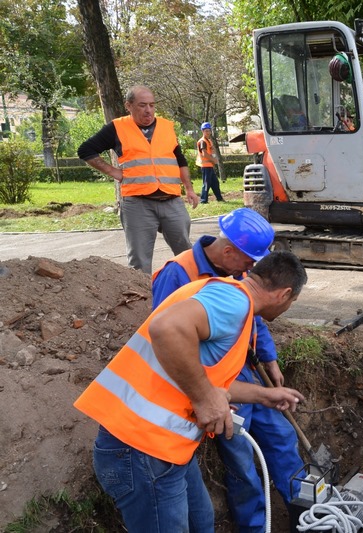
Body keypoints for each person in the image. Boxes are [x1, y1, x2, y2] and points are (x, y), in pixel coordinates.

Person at [74, 250, 308, 532]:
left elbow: (206, 376)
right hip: (139, 449)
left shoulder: (229, 298)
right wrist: (205, 398)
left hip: (166, 448)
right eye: (292, 301)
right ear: (283, 294)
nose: (288, 307)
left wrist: (263, 395)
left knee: (202, 521)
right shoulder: (233, 302)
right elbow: (167, 328)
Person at [152, 208, 305, 533]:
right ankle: (254, 526)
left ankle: (305, 511)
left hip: (240, 372)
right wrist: (203, 393)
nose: (253, 270)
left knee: (281, 435)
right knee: (241, 457)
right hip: (206, 381)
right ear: (228, 251)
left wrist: (269, 359)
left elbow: (256, 317)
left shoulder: (237, 272)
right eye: (250, 262)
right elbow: (166, 337)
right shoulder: (179, 272)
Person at [77, 85, 200, 275]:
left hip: (171, 200)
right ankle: (142, 301)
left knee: (186, 252)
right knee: (139, 261)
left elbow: (180, 160)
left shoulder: (167, 127)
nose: (148, 110)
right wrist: (113, 172)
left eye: (152, 105)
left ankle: (195, 291)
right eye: (142, 105)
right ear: (129, 105)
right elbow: (85, 150)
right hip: (137, 203)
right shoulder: (117, 128)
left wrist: (189, 189)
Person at [196, 122, 225, 203]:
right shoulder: (203, 141)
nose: (208, 132)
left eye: (209, 130)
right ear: (202, 131)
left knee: (215, 183)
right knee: (206, 184)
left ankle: (219, 198)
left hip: (209, 166)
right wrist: (213, 160)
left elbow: (210, 152)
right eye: (206, 131)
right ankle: (203, 200)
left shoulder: (207, 141)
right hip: (206, 166)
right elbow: (204, 153)